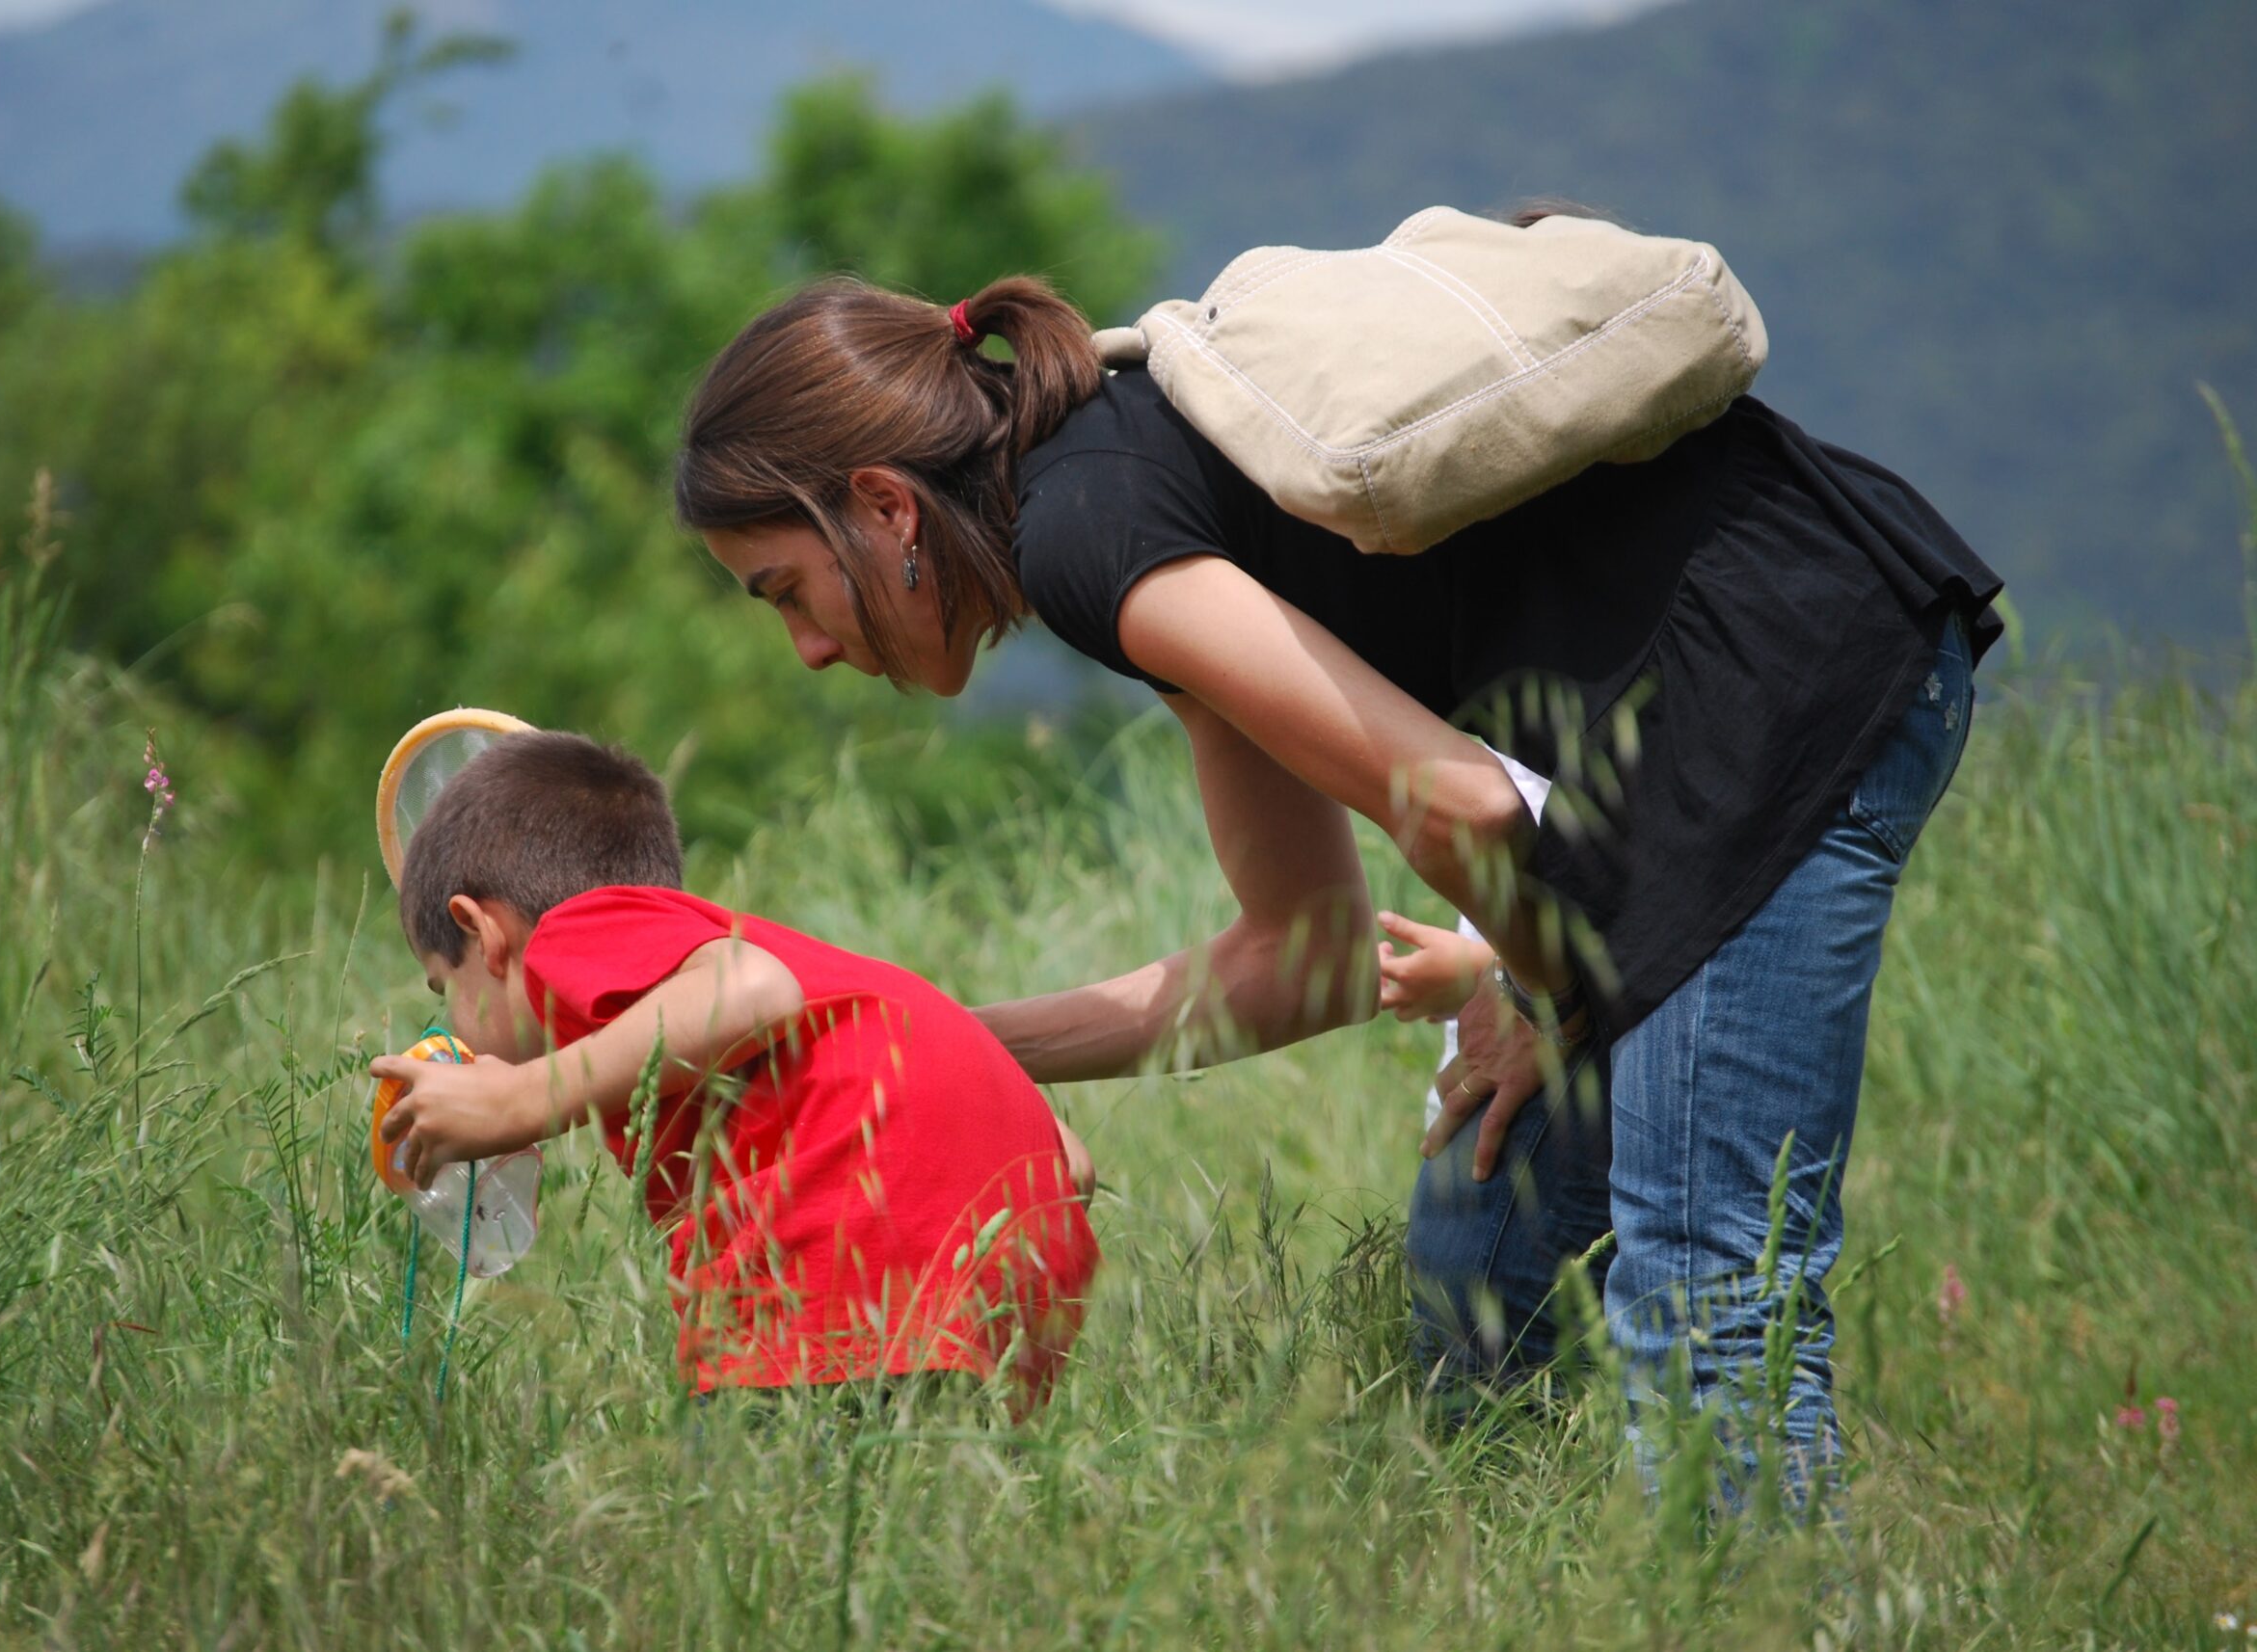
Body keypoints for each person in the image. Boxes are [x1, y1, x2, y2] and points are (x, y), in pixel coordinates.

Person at [668, 234, 2003, 1505]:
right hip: (1717, 706)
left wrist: (1543, 991)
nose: (807, 647)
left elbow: (1463, 806)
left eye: (787, 588)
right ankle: (1520, 1586)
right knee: (1486, 1255)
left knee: (1709, 1308)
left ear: (887, 507)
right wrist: (932, 1048)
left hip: (1776, 693)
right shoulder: (1106, 508)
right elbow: (1299, 957)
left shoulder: (1087, 537)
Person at [368, 730, 1099, 1412]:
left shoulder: (575, 928)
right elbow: (1072, 1163)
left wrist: (518, 1100)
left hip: (835, 1298)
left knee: (741, 1515)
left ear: (480, 930)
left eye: (444, 988)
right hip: (1008, 1292)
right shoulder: (756, 955)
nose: (451, 1026)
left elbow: (754, 993)